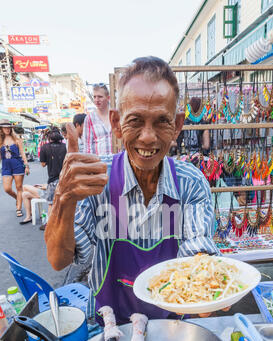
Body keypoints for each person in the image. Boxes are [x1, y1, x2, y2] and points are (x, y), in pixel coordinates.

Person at [45, 57, 219, 326]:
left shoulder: (191, 184)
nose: (148, 137)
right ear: (116, 122)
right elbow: (59, 261)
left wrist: (210, 287)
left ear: (178, 125)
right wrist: (62, 200)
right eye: (135, 120)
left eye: (162, 121)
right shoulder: (94, 182)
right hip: (109, 326)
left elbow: (199, 259)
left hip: (173, 328)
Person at [0, 119, 29, 217]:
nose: (7, 129)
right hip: (6, 166)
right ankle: (18, 198)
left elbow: (22, 153)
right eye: (5, 127)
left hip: (17, 165)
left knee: (19, 187)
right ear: (1, 129)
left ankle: (19, 208)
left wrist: (26, 165)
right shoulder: (0, 141)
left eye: (8, 127)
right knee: (7, 188)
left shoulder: (17, 140)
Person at [39, 128, 67, 230]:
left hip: (52, 180)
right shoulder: (65, 147)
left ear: (49, 137)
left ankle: (49, 224)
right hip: (65, 179)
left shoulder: (45, 147)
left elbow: (43, 164)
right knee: (65, 203)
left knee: (51, 203)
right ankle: (63, 224)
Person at [82, 83, 112, 155]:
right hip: (100, 163)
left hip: (118, 161)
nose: (96, 100)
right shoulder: (89, 118)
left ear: (108, 98)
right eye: (94, 97)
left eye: (100, 97)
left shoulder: (116, 115)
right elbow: (87, 147)